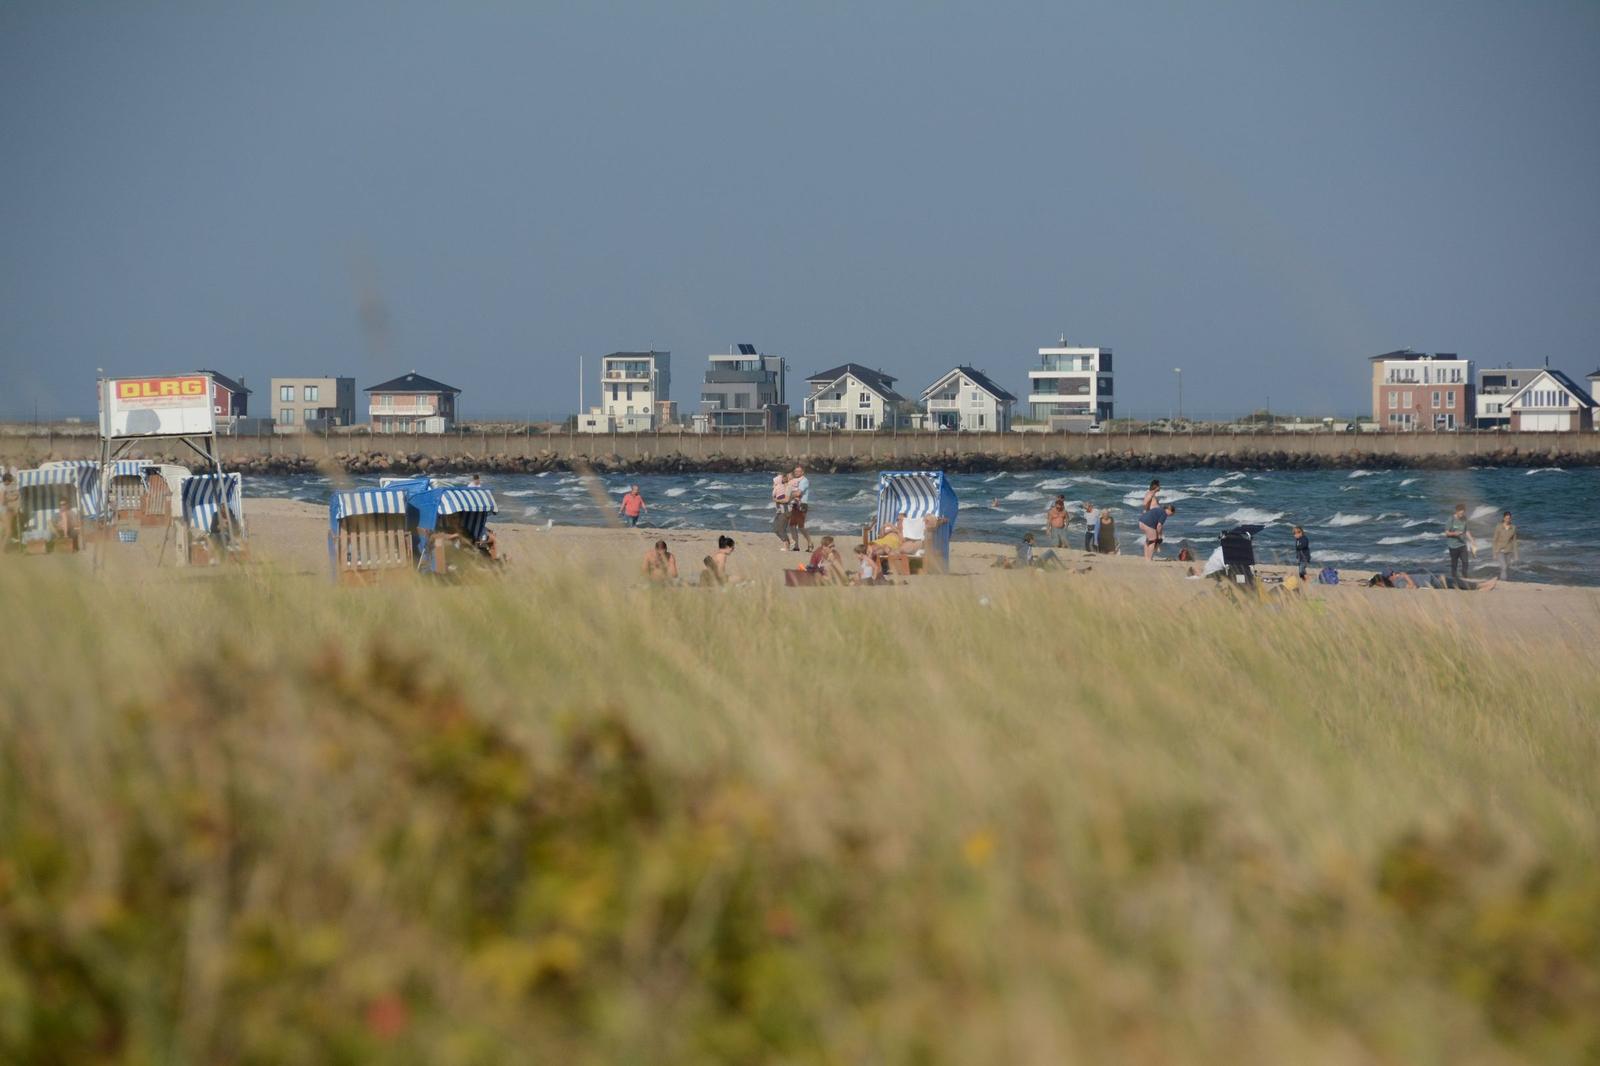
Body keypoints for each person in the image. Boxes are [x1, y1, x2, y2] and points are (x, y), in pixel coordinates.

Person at [1443, 503, 1477, 587]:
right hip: (1453, 546)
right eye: (1460, 513)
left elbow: (1467, 531)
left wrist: (1472, 540)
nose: (1462, 515)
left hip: (1462, 545)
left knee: (1465, 562)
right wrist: (1455, 533)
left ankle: (1465, 580)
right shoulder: (1451, 519)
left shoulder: (1464, 519)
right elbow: (1446, 533)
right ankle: (1454, 582)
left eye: (1463, 513)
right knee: (1454, 564)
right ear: (1457, 511)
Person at [787, 465, 815, 552]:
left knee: (801, 527)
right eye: (795, 471)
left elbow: (798, 493)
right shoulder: (795, 480)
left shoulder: (804, 481)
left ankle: (810, 543)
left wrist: (786, 496)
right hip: (794, 505)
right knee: (791, 525)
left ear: (802, 472)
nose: (797, 473)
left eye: (799, 471)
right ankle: (796, 546)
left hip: (802, 505)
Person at [1491, 510, 1519, 581]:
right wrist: (1494, 553)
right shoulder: (1499, 527)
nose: (1507, 520)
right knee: (1504, 567)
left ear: (1511, 518)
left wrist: (1516, 554)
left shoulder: (1513, 528)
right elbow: (1495, 540)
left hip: (1509, 550)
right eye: (1506, 518)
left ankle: (1502, 579)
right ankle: (1504, 581)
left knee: (1506, 567)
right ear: (1503, 518)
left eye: (1509, 518)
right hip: (1500, 550)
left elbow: (1514, 541)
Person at [771, 472, 794, 549]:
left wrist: (776, 500)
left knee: (781, 529)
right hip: (779, 511)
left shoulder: (788, 487)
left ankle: (787, 545)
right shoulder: (780, 487)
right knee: (775, 528)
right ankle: (789, 542)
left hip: (785, 511)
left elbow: (786, 500)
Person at [1, 472, 19, 548]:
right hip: (2, 510)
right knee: (8, 531)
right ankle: (2, 549)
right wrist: (11, 500)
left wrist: (12, 499)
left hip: (2, 509)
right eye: (10, 481)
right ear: (7, 480)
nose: (11, 482)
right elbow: (2, 501)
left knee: (4, 529)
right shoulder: (3, 488)